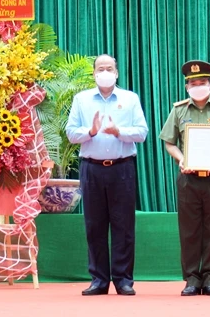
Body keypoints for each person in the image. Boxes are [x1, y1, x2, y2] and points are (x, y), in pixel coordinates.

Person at [66, 54, 148, 296]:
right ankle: (99, 280)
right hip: (91, 168)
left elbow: (142, 132)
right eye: (100, 68)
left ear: (116, 73)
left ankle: (123, 280)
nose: (105, 72)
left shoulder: (130, 98)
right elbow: (71, 133)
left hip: (122, 168)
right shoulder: (81, 99)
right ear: (94, 73)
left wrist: (118, 131)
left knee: (124, 225)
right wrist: (90, 131)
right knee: (94, 226)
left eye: (109, 68)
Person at [159, 60, 210, 297]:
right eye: (193, 83)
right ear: (187, 87)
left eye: (202, 82)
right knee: (189, 231)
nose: (198, 86)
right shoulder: (179, 110)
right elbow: (169, 142)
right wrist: (181, 159)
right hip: (189, 180)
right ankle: (192, 279)